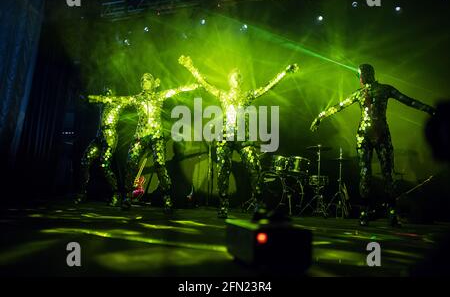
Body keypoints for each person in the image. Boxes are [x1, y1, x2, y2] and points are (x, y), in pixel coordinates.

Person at [310, 64, 435, 226]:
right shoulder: (382, 89)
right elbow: (408, 101)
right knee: (384, 173)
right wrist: (429, 109)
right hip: (376, 134)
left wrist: (320, 117)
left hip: (368, 134)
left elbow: (338, 106)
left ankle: (370, 213)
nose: (361, 79)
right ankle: (383, 213)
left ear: (362, 77)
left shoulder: (366, 92)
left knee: (369, 173)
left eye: (360, 76)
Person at [179, 55, 299, 218]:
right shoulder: (222, 94)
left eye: (239, 77)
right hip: (225, 137)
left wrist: (284, 73)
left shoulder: (247, 95)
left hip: (243, 137)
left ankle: (258, 205)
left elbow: (268, 87)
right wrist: (190, 67)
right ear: (230, 80)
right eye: (234, 76)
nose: (237, 78)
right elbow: (205, 84)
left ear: (240, 81)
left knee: (254, 167)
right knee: (223, 170)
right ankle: (223, 205)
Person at [121, 73, 198, 213]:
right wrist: (102, 99)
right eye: (142, 80)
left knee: (160, 165)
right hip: (141, 135)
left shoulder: (159, 95)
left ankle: (167, 199)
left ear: (152, 82)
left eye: (147, 80)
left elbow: (176, 89)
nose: (145, 82)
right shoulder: (137, 98)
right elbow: (121, 100)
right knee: (131, 162)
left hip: (156, 135)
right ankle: (127, 197)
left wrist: (190, 86)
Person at [76, 88, 132, 206]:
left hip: (110, 136)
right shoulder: (103, 104)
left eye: (109, 91)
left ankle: (116, 194)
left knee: (104, 164)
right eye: (105, 91)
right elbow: (91, 99)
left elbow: (130, 100)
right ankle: (82, 193)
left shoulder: (118, 102)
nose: (106, 93)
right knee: (85, 161)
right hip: (99, 136)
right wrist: (83, 96)